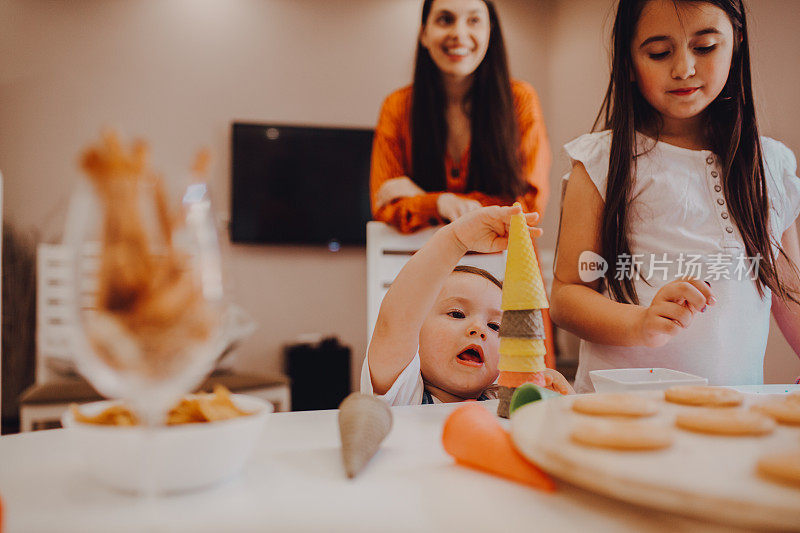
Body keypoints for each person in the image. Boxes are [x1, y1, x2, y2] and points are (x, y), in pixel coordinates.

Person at [551, 0, 800, 393]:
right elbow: (568, 295)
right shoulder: (601, 161)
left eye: (704, 47)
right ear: (629, 61)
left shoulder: (772, 164)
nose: (684, 68)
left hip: (734, 412)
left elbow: (790, 291)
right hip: (621, 415)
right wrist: (640, 322)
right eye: (659, 52)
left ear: (735, 42)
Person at [362, 205, 573, 405]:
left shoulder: (501, 400)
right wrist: (455, 240)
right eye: (457, 314)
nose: (479, 329)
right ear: (415, 331)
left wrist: (551, 401)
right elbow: (396, 321)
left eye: (495, 327)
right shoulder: (403, 394)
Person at [370, 0, 551, 234]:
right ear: (424, 33)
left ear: (490, 32)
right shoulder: (396, 106)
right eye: (445, 19)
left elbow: (527, 206)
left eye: (474, 20)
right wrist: (443, 204)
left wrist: (431, 200)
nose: (459, 33)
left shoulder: (521, 100)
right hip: (428, 266)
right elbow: (384, 205)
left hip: (506, 266)